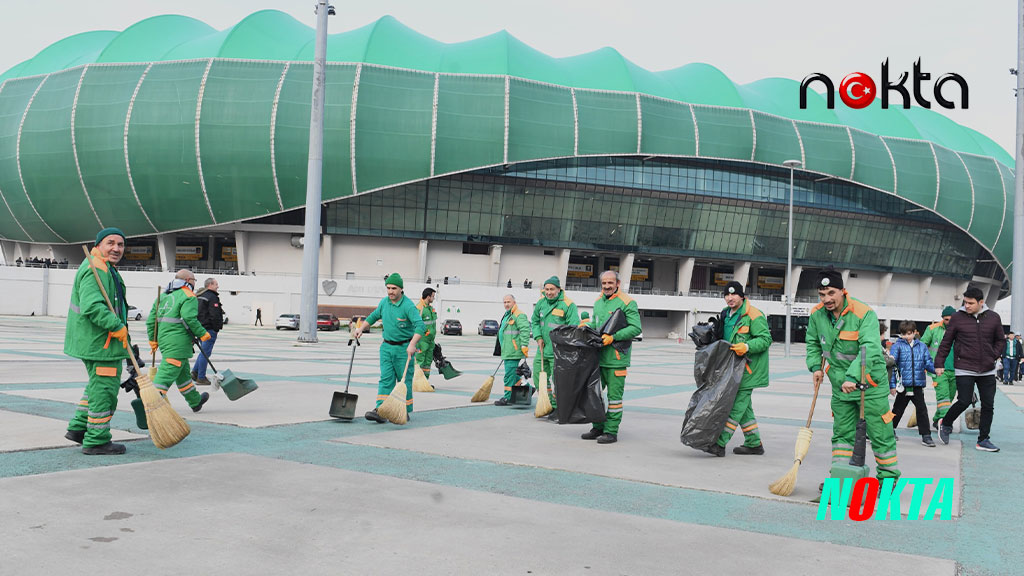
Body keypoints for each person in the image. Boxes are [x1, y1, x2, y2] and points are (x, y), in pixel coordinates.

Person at [806, 267, 899, 489]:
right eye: (821, 294)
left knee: (880, 433)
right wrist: (815, 367)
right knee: (842, 434)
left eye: (830, 293)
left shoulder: (863, 313)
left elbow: (869, 348)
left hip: (869, 385)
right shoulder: (817, 315)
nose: (826, 299)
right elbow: (812, 343)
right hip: (840, 386)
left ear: (842, 291)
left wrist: (852, 376)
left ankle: (887, 479)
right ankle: (842, 477)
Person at [64, 228, 132, 455]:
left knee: (95, 387)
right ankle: (96, 440)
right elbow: (92, 306)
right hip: (101, 343)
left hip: (100, 342)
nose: (116, 248)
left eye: (120, 244)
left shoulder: (105, 268)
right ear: (99, 245)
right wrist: (115, 326)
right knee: (104, 391)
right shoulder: (95, 270)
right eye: (110, 243)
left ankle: (78, 429)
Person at [703, 281, 771, 457]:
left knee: (735, 405)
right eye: (726, 295)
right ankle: (754, 443)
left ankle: (719, 443)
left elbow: (765, 339)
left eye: (733, 294)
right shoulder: (726, 314)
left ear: (742, 295)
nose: (730, 298)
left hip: (749, 369)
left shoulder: (754, 315)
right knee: (744, 407)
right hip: (731, 367)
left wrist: (747, 346)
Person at [934, 286, 1004, 452]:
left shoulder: (994, 318)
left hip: (987, 369)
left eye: (971, 303)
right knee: (964, 401)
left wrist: (992, 355)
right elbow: (946, 342)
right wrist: (939, 363)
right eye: (965, 302)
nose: (967, 306)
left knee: (988, 405)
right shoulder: (957, 318)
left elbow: (1000, 340)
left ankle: (983, 439)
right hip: (964, 366)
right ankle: (946, 422)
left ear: (981, 302)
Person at [353, 273, 425, 423]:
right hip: (386, 347)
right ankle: (381, 410)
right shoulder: (384, 303)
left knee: (404, 381)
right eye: (388, 288)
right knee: (386, 379)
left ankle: (402, 409)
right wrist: (361, 328)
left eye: (394, 288)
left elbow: (420, 326)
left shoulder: (408, 306)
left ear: (401, 289)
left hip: (404, 349)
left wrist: (412, 344)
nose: (390, 291)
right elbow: (373, 317)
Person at [580, 271, 641, 444]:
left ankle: (611, 431)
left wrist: (613, 337)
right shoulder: (599, 302)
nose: (607, 286)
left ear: (618, 283)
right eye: (604, 283)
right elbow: (597, 324)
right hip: (598, 358)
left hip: (616, 360)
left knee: (614, 399)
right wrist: (586, 326)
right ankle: (598, 426)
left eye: (610, 283)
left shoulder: (628, 302)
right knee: (594, 394)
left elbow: (635, 328)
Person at [147, 270, 211, 413]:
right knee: (166, 374)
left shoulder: (163, 296)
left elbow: (151, 321)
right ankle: (152, 406)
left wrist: (153, 340)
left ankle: (195, 401)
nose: (195, 283)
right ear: (189, 280)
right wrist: (202, 333)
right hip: (178, 342)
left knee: (183, 374)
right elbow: (189, 318)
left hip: (165, 341)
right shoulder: (188, 296)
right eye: (195, 280)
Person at [531, 275, 579, 420]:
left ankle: (559, 409)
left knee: (558, 381)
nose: (549, 292)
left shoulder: (568, 304)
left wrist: (562, 344)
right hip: (543, 349)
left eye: (552, 289)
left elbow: (573, 327)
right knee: (538, 377)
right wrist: (538, 337)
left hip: (558, 351)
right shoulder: (541, 303)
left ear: (559, 289)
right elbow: (534, 321)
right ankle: (548, 405)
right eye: (546, 289)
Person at [889, 320, 937, 447]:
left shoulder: (921, 346)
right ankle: (889, 431)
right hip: (903, 385)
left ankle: (926, 435)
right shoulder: (897, 346)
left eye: (909, 333)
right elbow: (892, 367)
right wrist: (892, 385)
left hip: (917, 385)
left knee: (922, 410)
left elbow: (927, 362)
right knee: (897, 410)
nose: (906, 336)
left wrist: (936, 370)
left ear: (915, 332)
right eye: (903, 334)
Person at [920, 306, 956, 429]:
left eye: (952, 319)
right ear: (942, 319)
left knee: (949, 398)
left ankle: (937, 419)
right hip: (939, 370)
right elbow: (922, 346)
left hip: (956, 370)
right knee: (943, 397)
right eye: (946, 319)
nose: (949, 322)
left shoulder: (961, 330)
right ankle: (945, 423)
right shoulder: (932, 329)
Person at [495, 294, 531, 406]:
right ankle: (528, 388)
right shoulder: (507, 315)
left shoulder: (519, 315)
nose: (506, 304)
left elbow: (525, 330)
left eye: (508, 302)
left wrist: (524, 345)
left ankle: (507, 397)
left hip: (513, 351)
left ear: (514, 302)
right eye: (504, 302)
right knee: (513, 375)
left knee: (508, 376)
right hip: (507, 351)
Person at [192, 277, 224, 386]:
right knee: (205, 353)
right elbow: (214, 314)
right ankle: (201, 377)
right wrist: (216, 327)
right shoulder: (212, 297)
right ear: (210, 285)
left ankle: (195, 372)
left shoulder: (200, 295)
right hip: (209, 329)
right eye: (216, 284)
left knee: (203, 352)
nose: (217, 286)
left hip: (200, 328)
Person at [416, 288, 438, 388]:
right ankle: (417, 382)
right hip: (421, 340)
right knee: (420, 361)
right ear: (428, 296)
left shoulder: (430, 308)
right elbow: (414, 324)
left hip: (430, 341)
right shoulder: (419, 308)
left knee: (427, 362)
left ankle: (425, 382)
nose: (433, 298)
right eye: (433, 296)